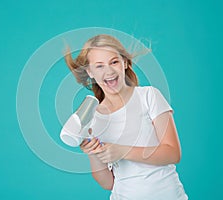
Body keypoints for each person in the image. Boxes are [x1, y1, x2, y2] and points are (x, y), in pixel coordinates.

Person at [64, 34, 188, 200]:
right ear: (90, 72)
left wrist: (123, 151)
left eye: (114, 62)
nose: (108, 71)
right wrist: (93, 153)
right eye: (99, 66)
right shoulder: (92, 118)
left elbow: (173, 153)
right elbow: (108, 183)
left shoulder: (149, 96)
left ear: (125, 63)